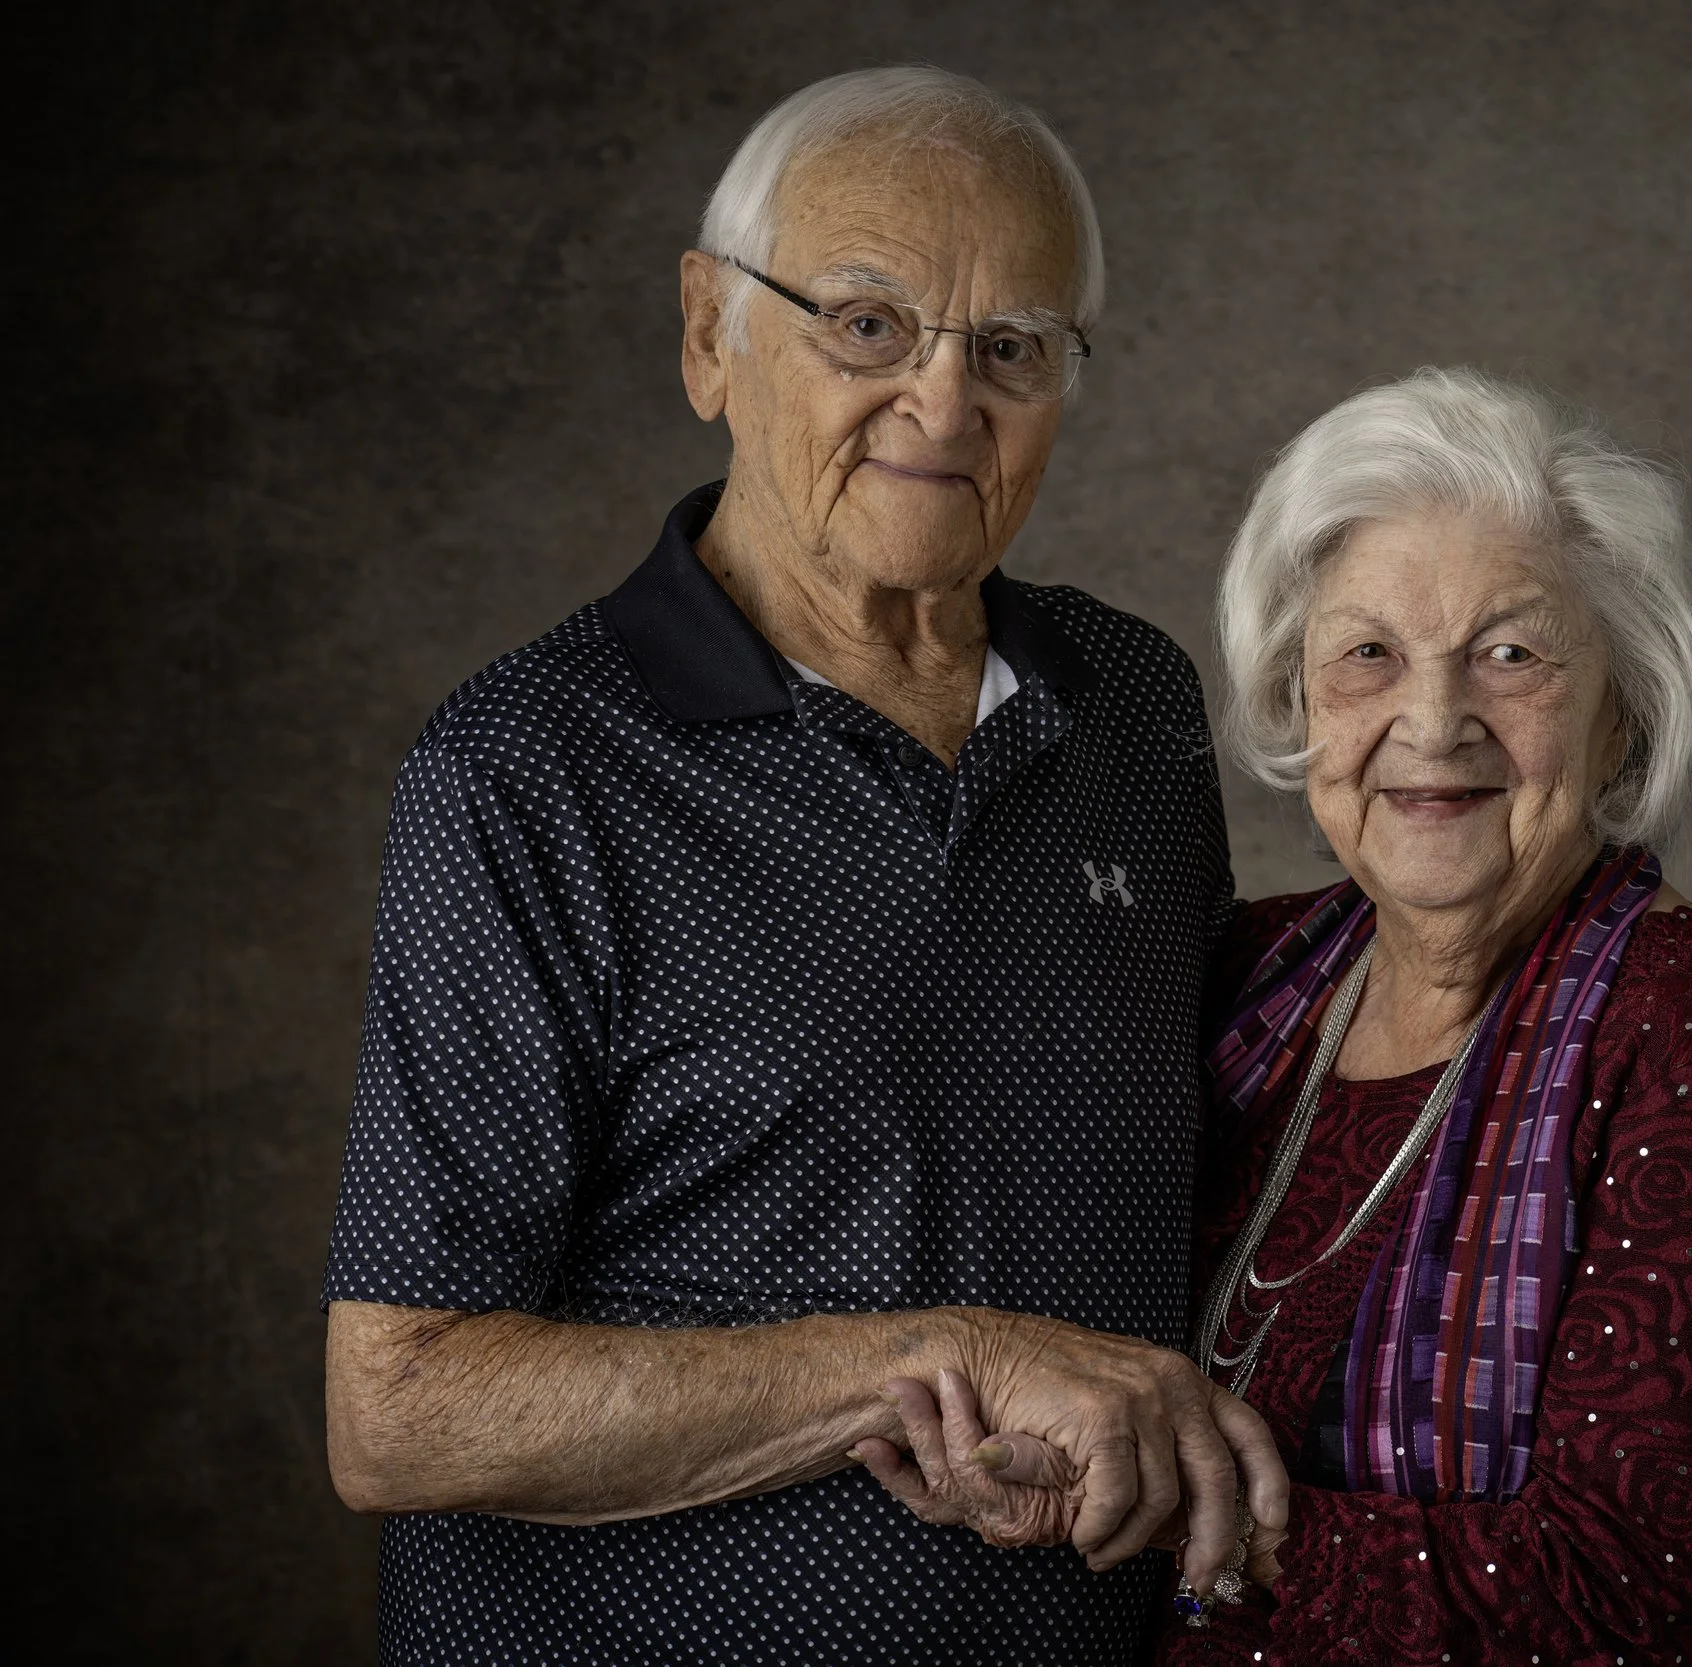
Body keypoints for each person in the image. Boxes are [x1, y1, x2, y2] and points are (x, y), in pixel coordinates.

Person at [319, 67, 1284, 1665]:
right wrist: (937, 1358)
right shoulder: (525, 767)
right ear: (712, 334)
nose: (943, 401)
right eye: (866, 323)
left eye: (1013, 348)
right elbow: (403, 1406)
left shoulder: (1135, 711)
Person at [873, 369, 1692, 1664]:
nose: (1432, 720)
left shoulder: (1679, 1026)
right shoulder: (1250, 973)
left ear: (1624, 714)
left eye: (1512, 653)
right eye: (1369, 654)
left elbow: (1654, 1610)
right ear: (1300, 699)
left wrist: (1175, 1509)